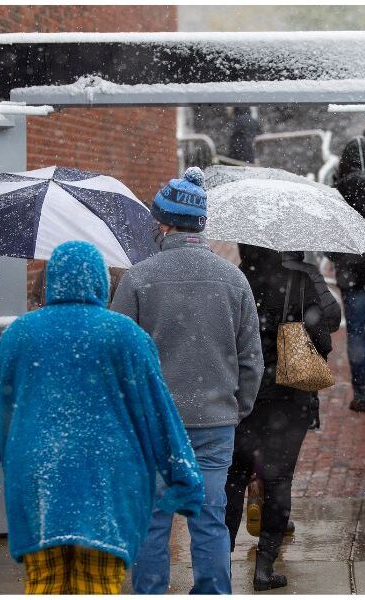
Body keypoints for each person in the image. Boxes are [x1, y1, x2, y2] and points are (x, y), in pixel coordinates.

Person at [0, 241, 204, 595]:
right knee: (99, 584)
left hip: (39, 480)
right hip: (109, 482)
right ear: (101, 284)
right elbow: (159, 414)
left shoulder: (19, 336)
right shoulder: (127, 336)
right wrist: (184, 479)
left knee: (45, 584)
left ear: (50, 281)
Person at [111, 167, 264, 595]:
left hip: (155, 424)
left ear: (163, 223)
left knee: (152, 522)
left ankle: (151, 591)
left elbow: (120, 357)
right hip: (215, 422)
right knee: (210, 520)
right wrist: (235, 407)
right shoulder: (234, 280)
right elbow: (252, 360)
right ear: (201, 223)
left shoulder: (138, 279)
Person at [224, 245, 341, 591]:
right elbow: (324, 334)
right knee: (278, 480)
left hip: (243, 396)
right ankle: (264, 568)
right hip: (289, 398)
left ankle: (222, 561)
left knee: (233, 478)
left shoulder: (235, 280)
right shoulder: (300, 280)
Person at [329, 132, 365, 412]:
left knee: (355, 331)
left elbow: (329, 237)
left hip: (350, 273)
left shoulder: (337, 193)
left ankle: (362, 392)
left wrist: (338, 258)